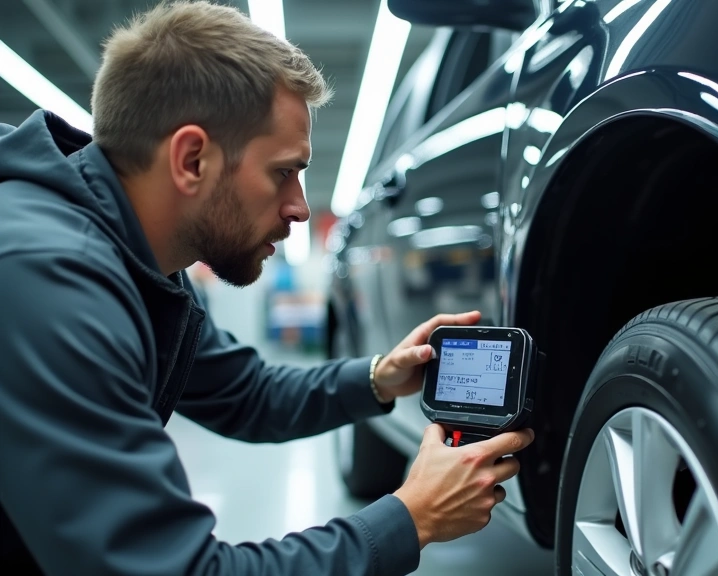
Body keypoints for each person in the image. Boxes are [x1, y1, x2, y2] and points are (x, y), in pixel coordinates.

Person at [0, 1, 534, 575]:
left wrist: (379, 377)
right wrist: (412, 517)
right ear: (192, 159)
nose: (301, 208)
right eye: (283, 172)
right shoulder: (49, 280)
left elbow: (244, 394)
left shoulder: (141, 260)